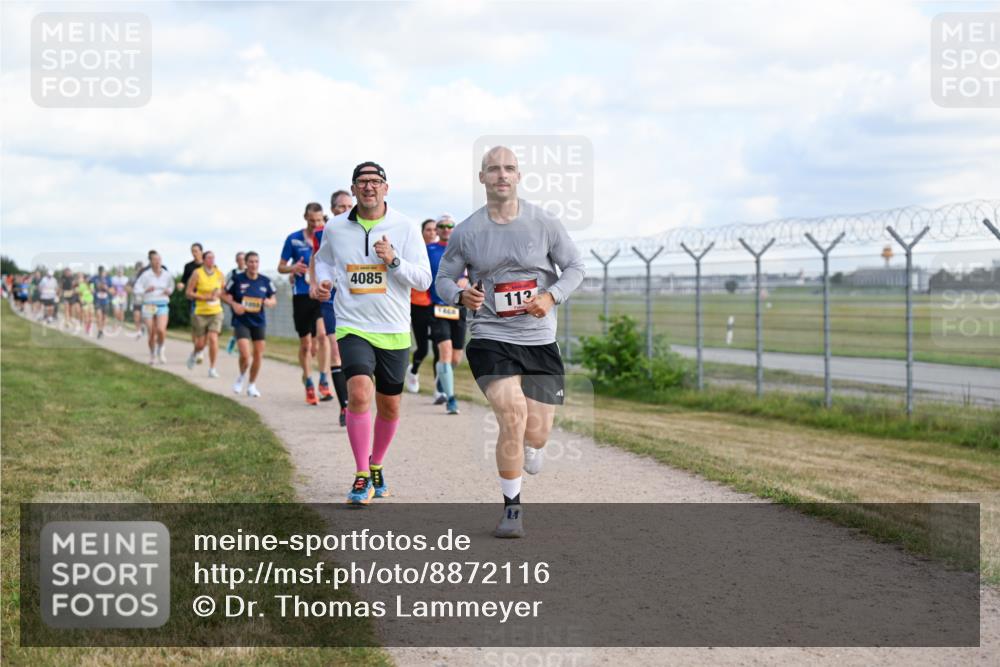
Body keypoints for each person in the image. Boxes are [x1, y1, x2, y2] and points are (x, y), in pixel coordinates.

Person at [435, 146, 585, 538]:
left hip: (538, 338)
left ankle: (533, 448)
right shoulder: (467, 231)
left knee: (535, 432)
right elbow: (444, 279)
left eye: (509, 169)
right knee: (511, 414)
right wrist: (459, 295)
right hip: (490, 335)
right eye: (493, 169)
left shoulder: (544, 223)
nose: (502, 175)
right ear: (482, 178)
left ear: (518, 176)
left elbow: (574, 268)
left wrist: (551, 296)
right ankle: (512, 509)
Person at [312, 161, 432, 505]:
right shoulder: (335, 228)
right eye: (362, 182)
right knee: (360, 394)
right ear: (353, 189)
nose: (368, 187)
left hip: (393, 328)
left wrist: (393, 260)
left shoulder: (406, 227)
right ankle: (361, 474)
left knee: (390, 407)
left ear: (386, 188)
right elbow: (323, 260)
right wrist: (322, 280)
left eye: (375, 181)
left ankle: (377, 464)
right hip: (352, 324)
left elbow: (423, 279)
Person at [307, 189, 354, 425]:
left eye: (349, 206)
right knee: (336, 350)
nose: (345, 210)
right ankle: (345, 406)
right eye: (340, 207)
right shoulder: (324, 232)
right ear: (332, 210)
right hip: (331, 293)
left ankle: (357, 399)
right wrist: (314, 284)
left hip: (356, 295)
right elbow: (317, 259)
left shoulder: (363, 227)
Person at [279, 203, 330, 405]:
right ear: (305, 218)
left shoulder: (327, 236)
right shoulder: (293, 239)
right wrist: (293, 268)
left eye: (319, 220)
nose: (316, 224)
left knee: (323, 335)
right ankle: (309, 382)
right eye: (312, 220)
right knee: (307, 344)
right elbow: (281, 267)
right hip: (301, 294)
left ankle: (324, 380)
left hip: (321, 293)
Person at [426, 213, 469, 415]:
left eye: (449, 226)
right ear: (437, 230)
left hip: (459, 307)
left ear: (454, 228)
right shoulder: (429, 250)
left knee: (456, 357)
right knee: (444, 351)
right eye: (441, 226)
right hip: (437, 308)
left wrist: (466, 280)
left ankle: (443, 380)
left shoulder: (463, 250)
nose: (445, 229)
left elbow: (475, 271)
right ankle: (451, 399)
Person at [223, 251, 276, 397]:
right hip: (241, 321)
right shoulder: (237, 279)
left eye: (256, 261)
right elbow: (224, 294)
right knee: (246, 355)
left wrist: (269, 302)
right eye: (251, 262)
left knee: (258, 354)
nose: (254, 264)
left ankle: (252, 385)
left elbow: (273, 299)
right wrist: (234, 304)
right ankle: (240, 377)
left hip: (258, 321)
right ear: (245, 263)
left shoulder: (265, 281)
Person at [405, 219, 439, 394]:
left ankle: (439, 388)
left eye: (434, 230)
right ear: (422, 231)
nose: (432, 233)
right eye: (428, 229)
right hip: (418, 304)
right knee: (423, 348)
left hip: (437, 305)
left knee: (440, 346)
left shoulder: (440, 253)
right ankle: (413, 370)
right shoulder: (415, 251)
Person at [185, 250, 225, 378]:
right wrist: (204, 297)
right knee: (201, 344)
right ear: (203, 260)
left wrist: (218, 294)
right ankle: (194, 354)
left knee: (213, 339)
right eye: (208, 258)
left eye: (213, 258)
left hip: (216, 312)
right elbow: (188, 293)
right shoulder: (197, 273)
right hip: (201, 312)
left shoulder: (219, 274)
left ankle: (212, 368)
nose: (211, 260)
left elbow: (224, 291)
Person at [132, 251, 174, 364]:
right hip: (149, 305)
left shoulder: (167, 274)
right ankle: (152, 354)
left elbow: (171, 286)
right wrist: (145, 290)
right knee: (151, 332)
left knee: (161, 329)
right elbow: (136, 289)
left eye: (159, 260)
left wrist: (168, 291)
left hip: (162, 304)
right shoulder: (145, 275)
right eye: (155, 260)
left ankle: (161, 349)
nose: (157, 262)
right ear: (151, 262)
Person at [179, 243, 205, 363]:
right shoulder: (188, 266)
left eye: (196, 251)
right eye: (192, 251)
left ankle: (201, 349)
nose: (194, 253)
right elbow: (184, 280)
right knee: (196, 327)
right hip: (194, 299)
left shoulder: (208, 264)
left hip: (207, 299)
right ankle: (198, 350)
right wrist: (181, 285)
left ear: (201, 251)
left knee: (206, 327)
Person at [225, 252, 247, 355]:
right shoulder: (232, 273)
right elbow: (226, 288)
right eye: (239, 259)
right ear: (236, 261)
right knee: (238, 325)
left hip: (249, 303)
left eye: (243, 259)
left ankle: (238, 343)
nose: (241, 261)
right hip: (236, 303)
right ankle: (236, 344)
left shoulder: (250, 272)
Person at [90, 266, 112, 339]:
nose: (101, 273)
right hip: (97, 299)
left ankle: (102, 329)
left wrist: (107, 288)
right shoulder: (95, 278)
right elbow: (89, 283)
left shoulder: (108, 278)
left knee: (104, 317)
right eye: (100, 271)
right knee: (99, 315)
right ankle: (99, 331)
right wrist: (92, 288)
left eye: (102, 271)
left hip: (106, 300)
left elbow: (111, 289)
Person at [130, 260, 147, 339]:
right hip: (136, 299)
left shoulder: (147, 277)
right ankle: (138, 331)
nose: (140, 270)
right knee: (136, 315)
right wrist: (132, 290)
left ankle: (143, 327)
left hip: (146, 300)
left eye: (141, 268)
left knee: (144, 316)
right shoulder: (133, 277)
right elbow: (127, 287)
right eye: (138, 268)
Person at [110, 265, 130, 333]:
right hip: (116, 297)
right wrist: (113, 291)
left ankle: (120, 324)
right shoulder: (113, 278)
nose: (119, 273)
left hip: (123, 297)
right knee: (116, 311)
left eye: (121, 271)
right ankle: (115, 324)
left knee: (122, 312)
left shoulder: (126, 279)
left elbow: (128, 288)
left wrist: (125, 291)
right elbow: (111, 287)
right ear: (116, 272)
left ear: (123, 272)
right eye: (118, 271)